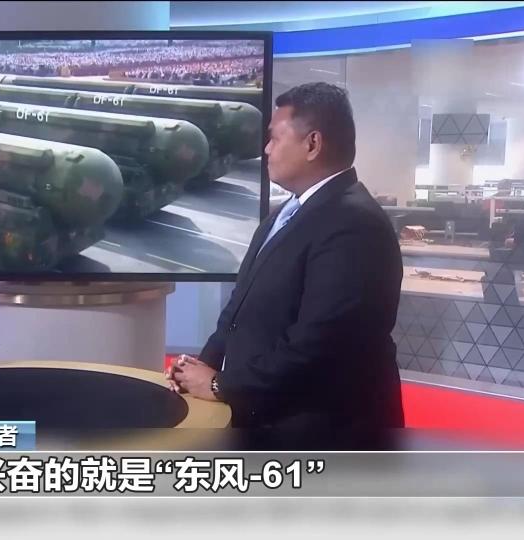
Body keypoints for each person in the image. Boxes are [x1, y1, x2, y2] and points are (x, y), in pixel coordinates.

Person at [167, 82, 405, 449]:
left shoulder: (355, 225)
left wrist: (220, 384)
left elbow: (318, 345)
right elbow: (237, 310)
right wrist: (196, 370)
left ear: (312, 144)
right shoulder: (285, 214)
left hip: (323, 438)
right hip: (263, 420)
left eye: (275, 138)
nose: (266, 149)